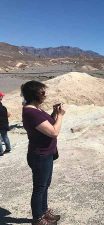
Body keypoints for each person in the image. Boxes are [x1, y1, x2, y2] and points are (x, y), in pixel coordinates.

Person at [21, 81, 65, 225]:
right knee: (39, 188)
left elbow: (47, 124)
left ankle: (44, 212)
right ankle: (38, 218)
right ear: (35, 94)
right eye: (42, 92)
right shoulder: (30, 112)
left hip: (46, 153)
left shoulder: (36, 109)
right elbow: (53, 132)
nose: (45, 95)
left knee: (45, 185)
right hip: (40, 155)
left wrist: (53, 113)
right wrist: (60, 116)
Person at [0, 91, 11, 156]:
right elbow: (8, 115)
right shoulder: (3, 107)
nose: (2, 97)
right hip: (4, 124)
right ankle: (8, 148)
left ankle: (0, 152)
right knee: (5, 136)